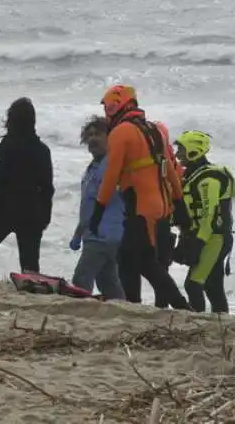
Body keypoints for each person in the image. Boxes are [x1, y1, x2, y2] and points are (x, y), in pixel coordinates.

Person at [89, 85, 190, 310]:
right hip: (160, 205)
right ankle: (139, 306)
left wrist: (98, 210)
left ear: (118, 106)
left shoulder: (121, 132)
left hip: (140, 206)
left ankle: (178, 307)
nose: (108, 112)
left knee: (140, 262)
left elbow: (111, 174)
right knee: (134, 259)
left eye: (110, 107)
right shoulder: (153, 129)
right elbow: (169, 168)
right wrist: (179, 202)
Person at [0, 98, 54, 279]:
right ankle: (31, 293)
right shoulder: (42, 150)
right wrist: (45, 216)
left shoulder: (5, 147)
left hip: (3, 210)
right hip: (31, 211)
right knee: (30, 265)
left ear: (11, 120)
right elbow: (47, 187)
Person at [173, 130, 235, 313]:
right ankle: (221, 322)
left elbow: (209, 214)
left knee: (193, 284)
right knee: (212, 286)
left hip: (214, 239)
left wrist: (199, 242)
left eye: (181, 151)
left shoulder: (210, 179)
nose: (177, 155)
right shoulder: (191, 175)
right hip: (203, 237)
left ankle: (198, 322)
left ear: (194, 151)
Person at [69, 115, 125, 299]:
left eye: (99, 134)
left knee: (81, 278)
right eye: (90, 135)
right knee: (107, 280)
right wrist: (79, 234)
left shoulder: (111, 165)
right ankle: (123, 309)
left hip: (103, 233)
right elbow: (87, 205)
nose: (93, 138)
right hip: (98, 233)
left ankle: (80, 311)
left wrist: (79, 234)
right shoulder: (93, 167)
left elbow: (98, 203)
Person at [153, 121, 181, 308]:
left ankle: (168, 305)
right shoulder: (170, 161)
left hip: (159, 220)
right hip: (165, 219)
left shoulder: (163, 161)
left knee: (156, 269)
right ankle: (163, 306)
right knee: (159, 269)